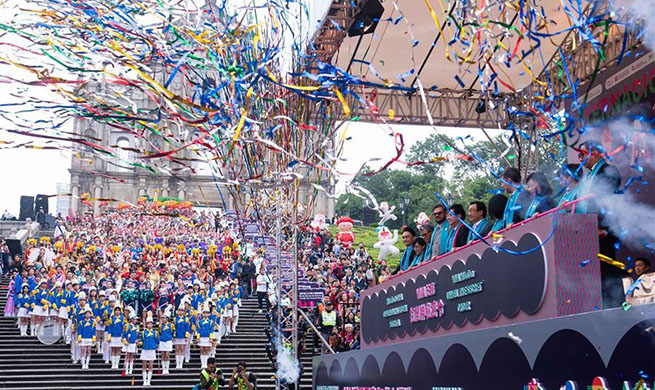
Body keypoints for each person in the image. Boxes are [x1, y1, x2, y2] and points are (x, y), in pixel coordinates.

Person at [577, 140, 623, 308]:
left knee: (607, 271)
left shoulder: (608, 170)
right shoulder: (588, 176)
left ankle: (617, 309)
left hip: (603, 228)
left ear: (594, 152)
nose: (581, 158)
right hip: (587, 229)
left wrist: (600, 225)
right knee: (594, 273)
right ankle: (600, 309)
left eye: (582, 154)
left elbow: (604, 198)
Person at [139, 312, 158, 387]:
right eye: (148, 324)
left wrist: (157, 344)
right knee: (144, 365)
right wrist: (139, 343)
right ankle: (144, 381)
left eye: (151, 324)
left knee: (150, 366)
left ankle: (149, 381)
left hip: (152, 350)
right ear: (146, 325)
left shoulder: (155, 332)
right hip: (144, 350)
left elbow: (157, 340)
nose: (150, 325)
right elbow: (141, 340)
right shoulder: (143, 333)